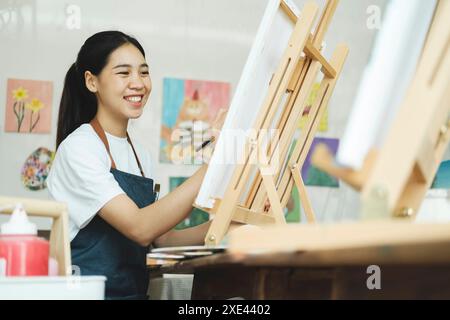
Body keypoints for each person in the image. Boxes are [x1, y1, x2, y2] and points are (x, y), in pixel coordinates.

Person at [47, 31, 226, 300]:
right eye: (123, 73)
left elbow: (162, 239)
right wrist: (214, 165)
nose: (138, 83)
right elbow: (140, 228)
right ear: (91, 81)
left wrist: (226, 227)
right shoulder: (79, 148)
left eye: (143, 72)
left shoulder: (140, 153)